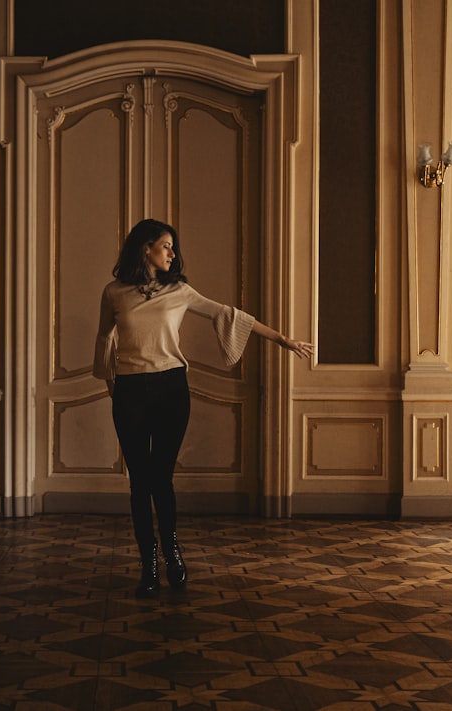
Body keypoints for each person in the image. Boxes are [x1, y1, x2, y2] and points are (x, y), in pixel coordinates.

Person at [93, 218, 313, 598]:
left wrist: (282, 340)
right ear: (145, 248)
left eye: (172, 247)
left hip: (170, 389)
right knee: (138, 483)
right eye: (166, 245)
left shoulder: (178, 290)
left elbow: (229, 314)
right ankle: (148, 564)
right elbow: (104, 337)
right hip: (130, 390)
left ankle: (173, 553)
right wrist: (111, 382)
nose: (172, 253)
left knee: (160, 478)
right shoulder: (114, 292)